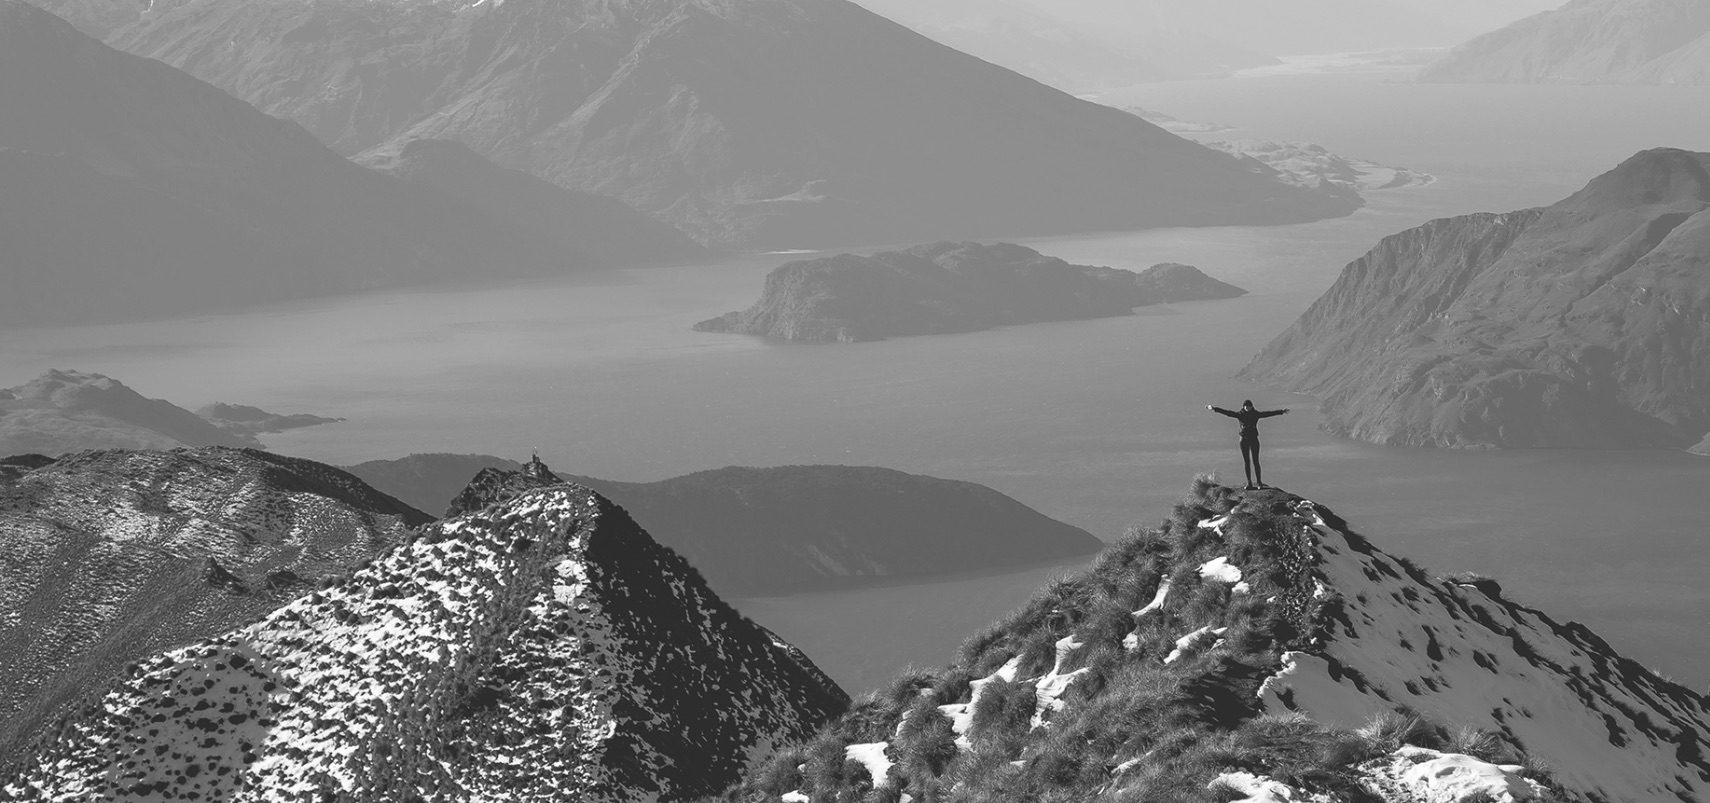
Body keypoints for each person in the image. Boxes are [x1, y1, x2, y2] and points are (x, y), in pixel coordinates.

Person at [1207, 400, 1289, 490]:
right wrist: (1214, 409)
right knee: (1247, 462)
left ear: (1251, 406)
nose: (1247, 407)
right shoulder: (1240, 414)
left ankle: (1259, 482)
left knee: (1256, 461)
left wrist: (1281, 411)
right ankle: (1249, 483)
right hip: (1243, 440)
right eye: (1245, 406)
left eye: (1248, 406)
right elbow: (1228, 413)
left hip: (1254, 439)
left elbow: (1267, 414)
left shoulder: (1255, 414)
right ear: (1243, 406)